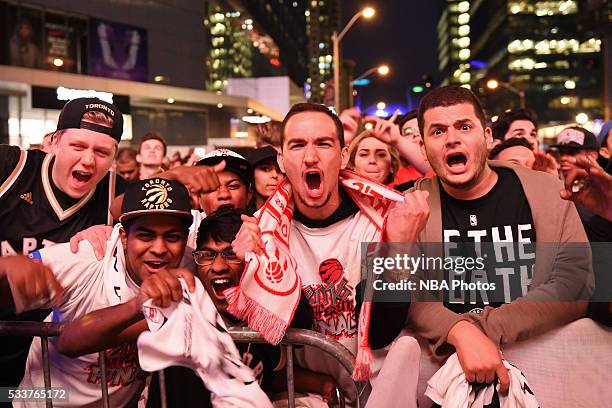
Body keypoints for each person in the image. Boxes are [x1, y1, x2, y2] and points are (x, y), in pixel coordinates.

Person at [230, 102, 428, 407]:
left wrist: (397, 249)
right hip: (311, 396)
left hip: (383, 392)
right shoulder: (264, 231)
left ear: (344, 155)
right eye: (297, 145)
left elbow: (380, 332)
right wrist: (249, 264)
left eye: (323, 144)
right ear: (282, 159)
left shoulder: (386, 219)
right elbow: (297, 327)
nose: (310, 156)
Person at [407, 85, 593, 392]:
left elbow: (575, 283)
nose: (452, 138)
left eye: (464, 127)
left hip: (548, 371)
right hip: (442, 381)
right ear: (424, 147)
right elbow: (405, 292)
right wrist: (458, 332)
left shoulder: (547, 191)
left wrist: (478, 329)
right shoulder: (410, 205)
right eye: (438, 131)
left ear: (489, 137)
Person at [0, 97, 125, 389]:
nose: (88, 160)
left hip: (41, 367)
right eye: (78, 146)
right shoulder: (9, 167)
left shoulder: (114, 194)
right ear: (54, 142)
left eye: (102, 151)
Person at [196, 149, 253, 214]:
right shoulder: (188, 223)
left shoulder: (263, 223)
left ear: (249, 195)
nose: (224, 195)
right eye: (212, 188)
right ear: (199, 199)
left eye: (233, 186)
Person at [243, 146, 282, 212]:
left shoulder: (298, 219)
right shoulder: (238, 217)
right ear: (252, 175)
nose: (275, 175)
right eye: (266, 169)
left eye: (279, 170)